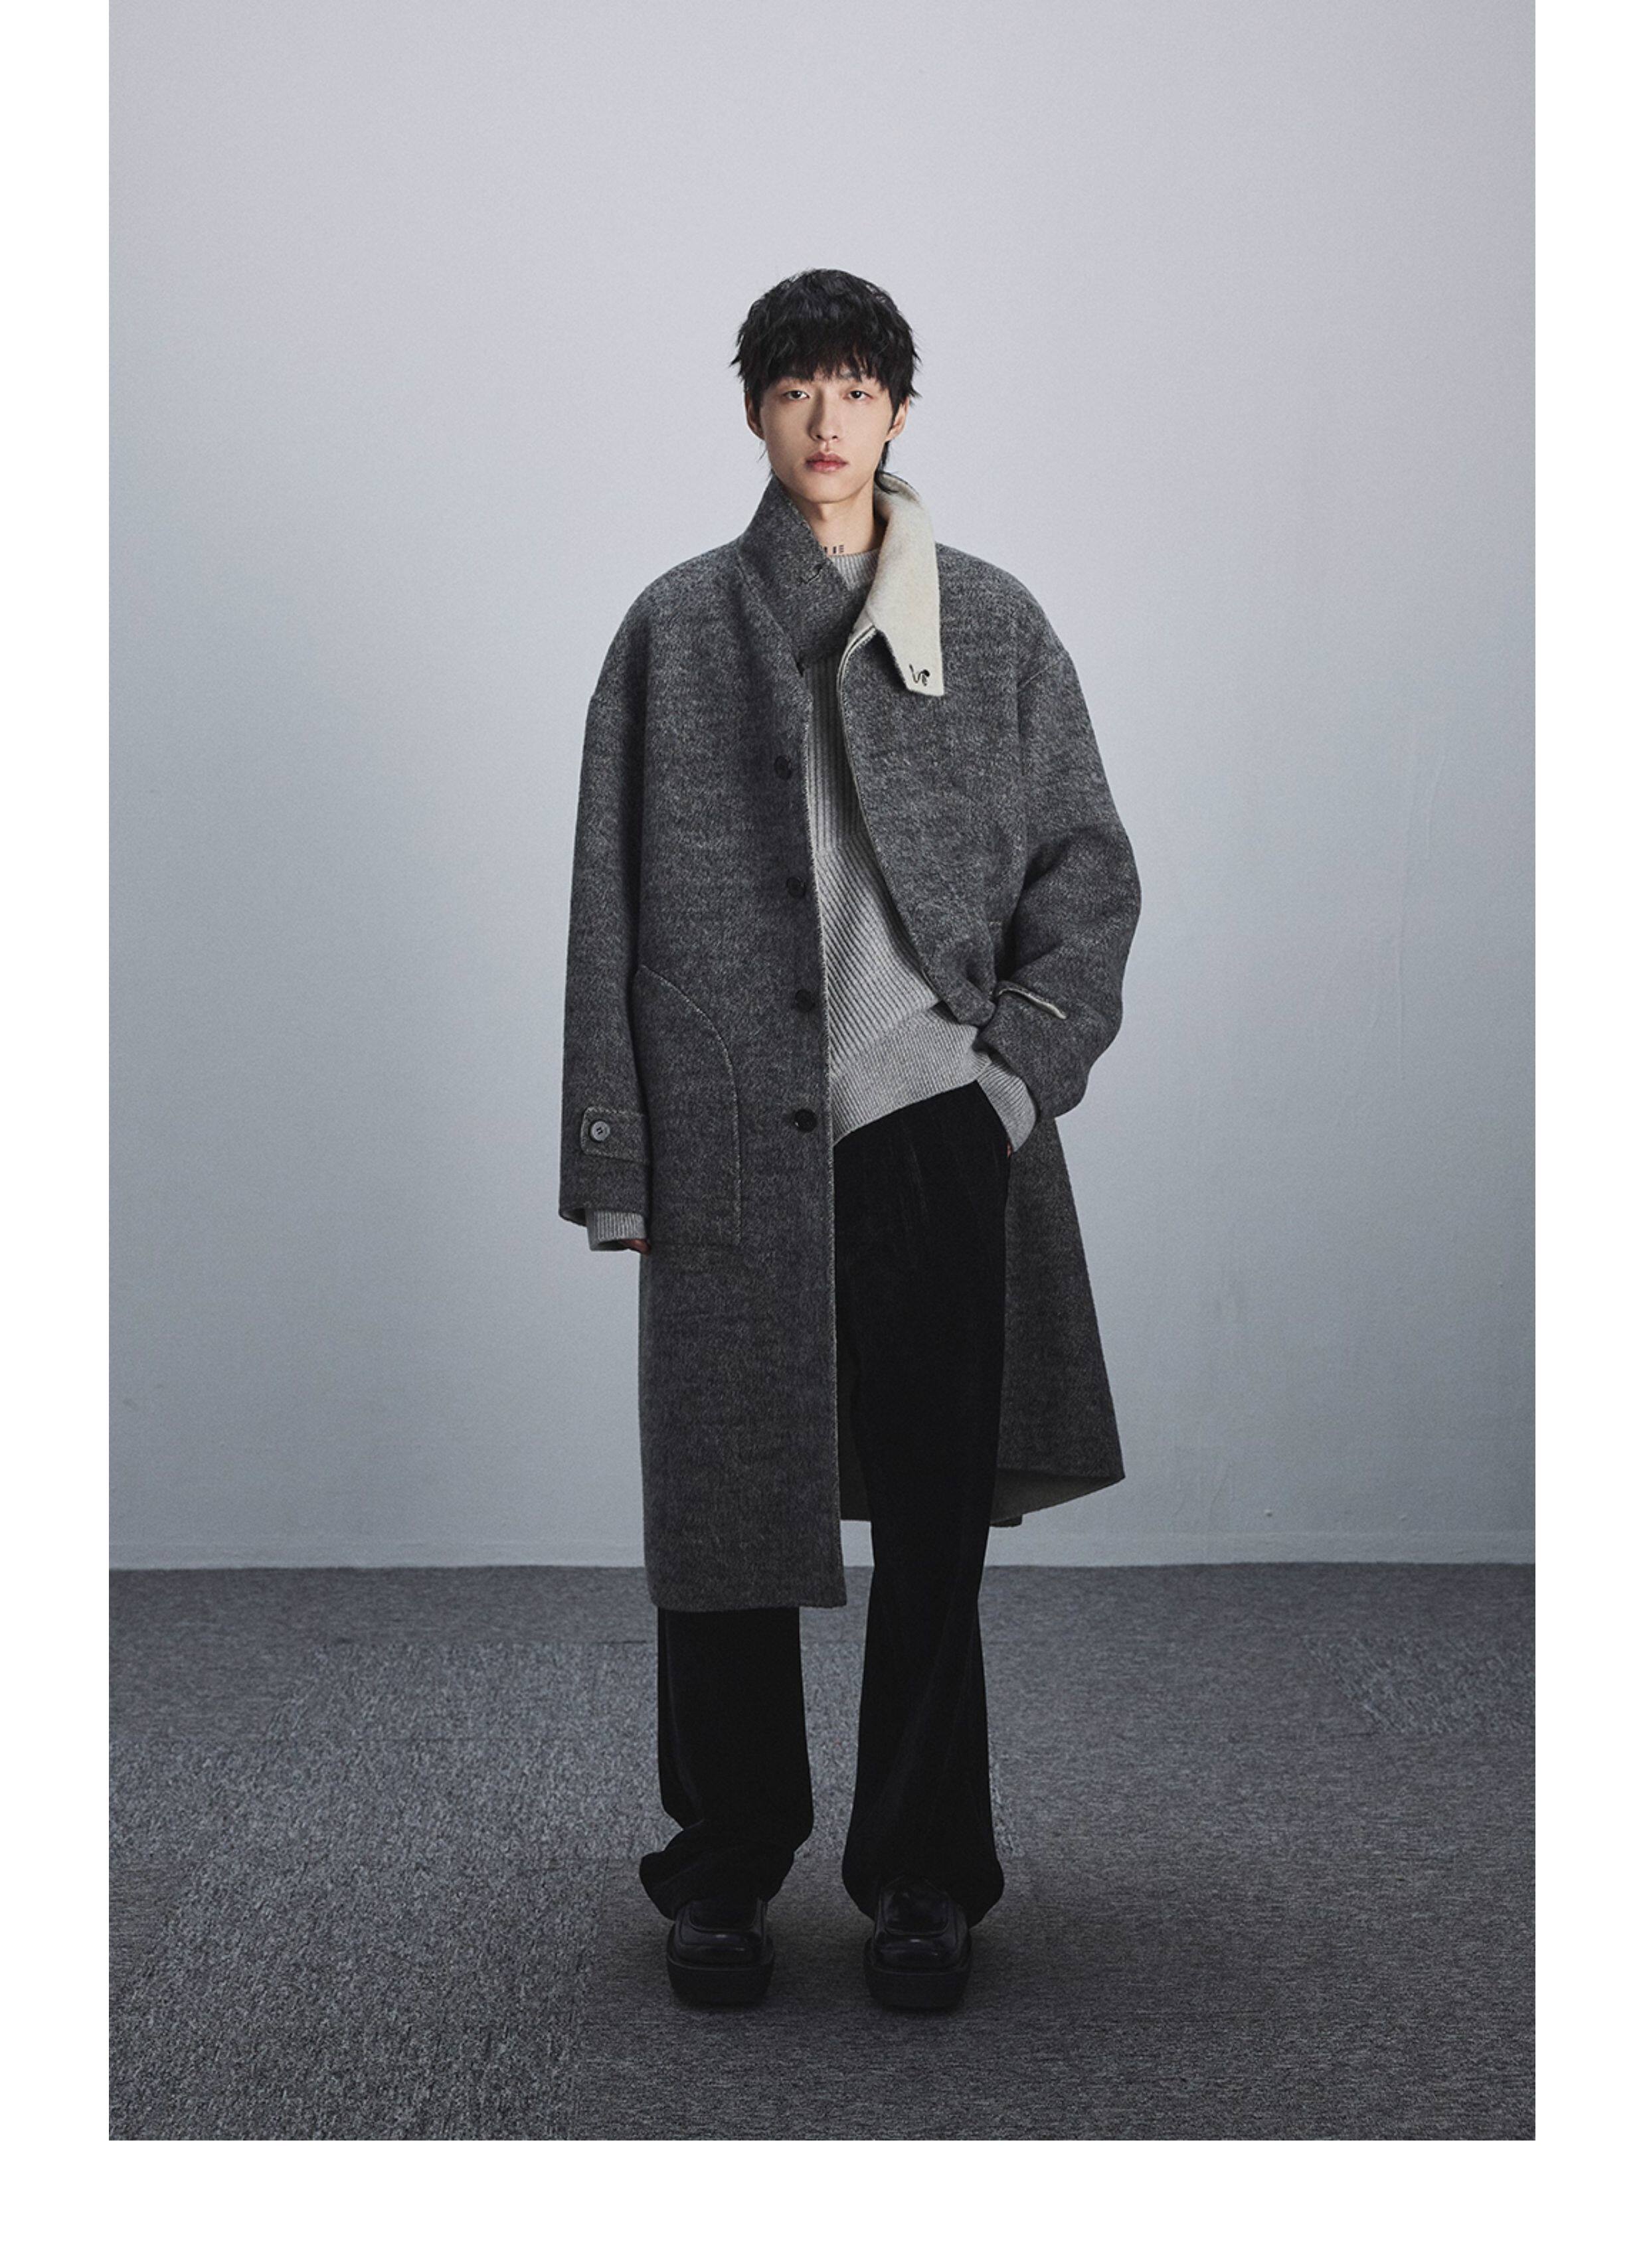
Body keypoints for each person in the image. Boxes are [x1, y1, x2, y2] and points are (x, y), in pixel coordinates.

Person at [559, 269, 1140, 2010]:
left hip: (931, 1133)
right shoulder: (675, 631)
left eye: (859, 391)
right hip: (732, 1143)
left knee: (937, 1526)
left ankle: (925, 1879)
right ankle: (722, 1871)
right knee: (723, 1519)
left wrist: (1013, 1074)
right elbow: (606, 906)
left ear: (898, 412)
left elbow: (1089, 873)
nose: (828, 422)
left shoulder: (996, 626)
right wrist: (619, 1155)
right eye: (797, 388)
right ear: (754, 409)